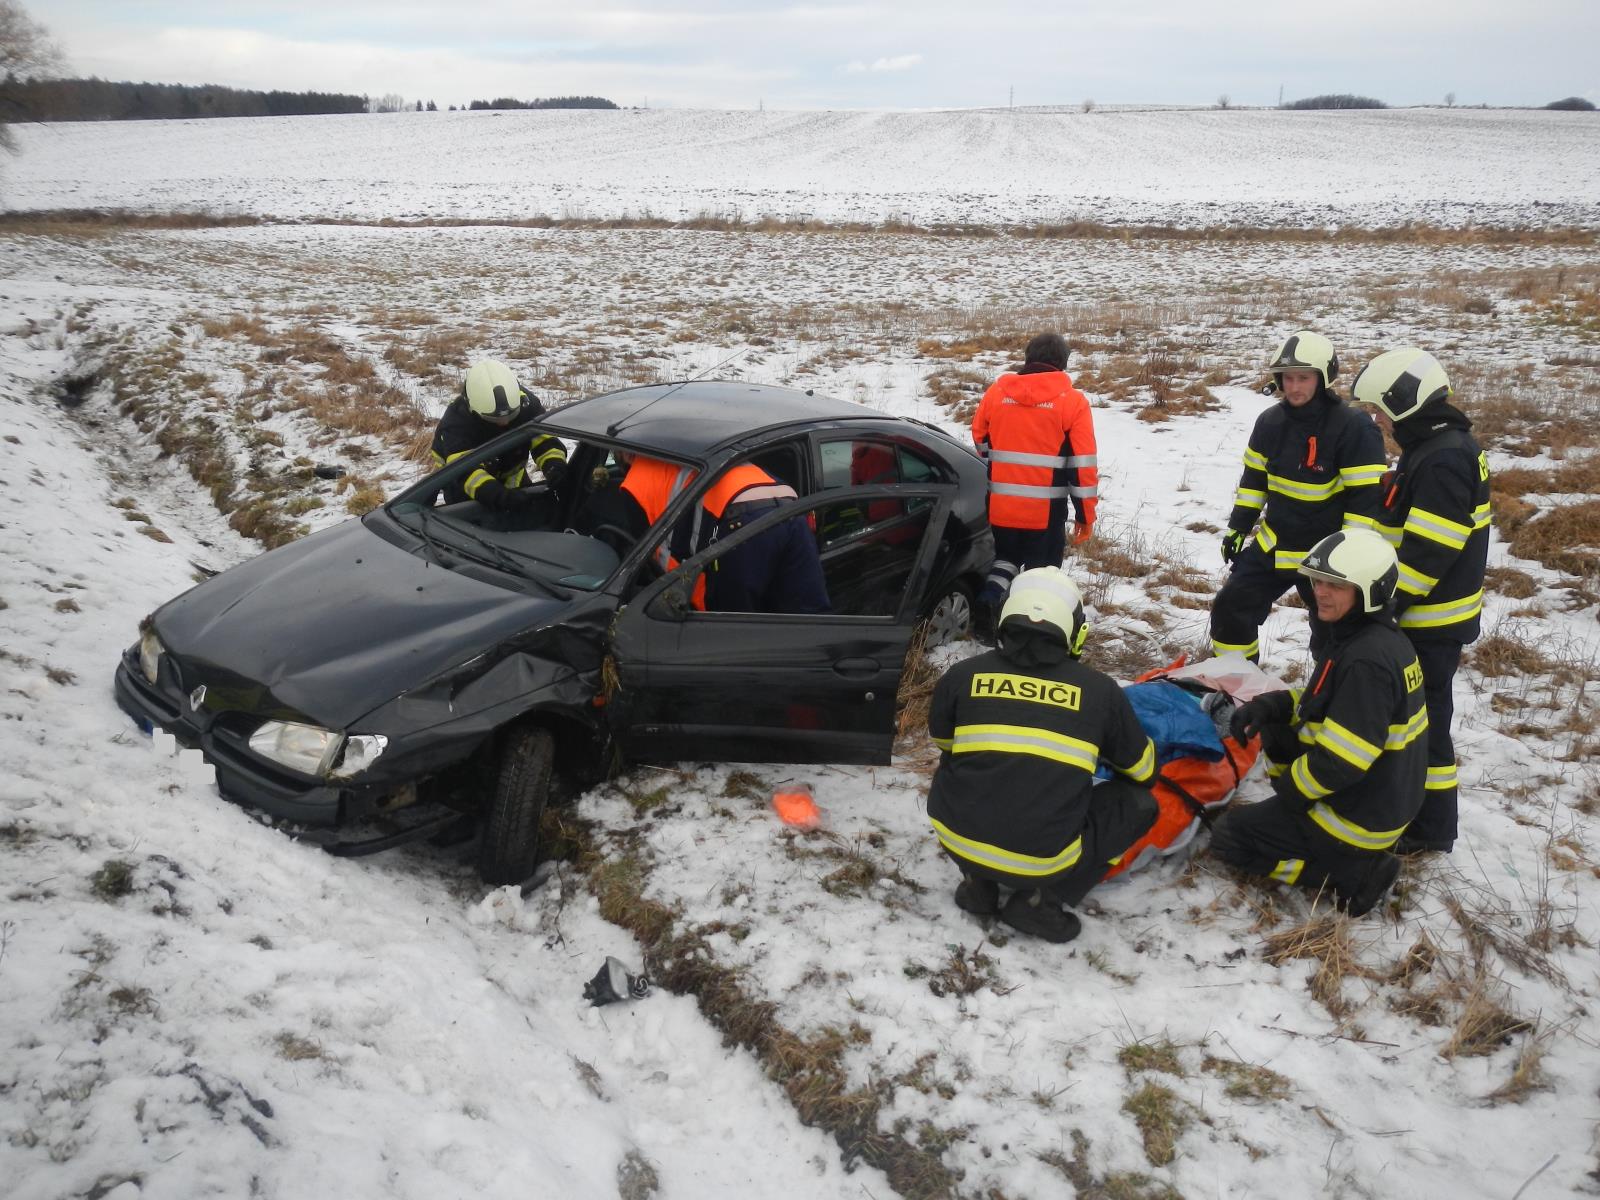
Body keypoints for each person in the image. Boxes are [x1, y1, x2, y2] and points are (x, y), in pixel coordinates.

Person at [926, 567, 1158, 943]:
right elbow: (1143, 771)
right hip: (1042, 858)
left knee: (960, 763)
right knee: (1138, 804)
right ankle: (1039, 901)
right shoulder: (1100, 692)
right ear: (1074, 629)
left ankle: (977, 882)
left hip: (956, 838)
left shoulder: (961, 675)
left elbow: (945, 743)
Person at [1209, 528, 1429, 917]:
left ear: (1370, 591)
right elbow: (1325, 702)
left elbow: (1342, 760)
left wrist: (1295, 794)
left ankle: (1351, 874)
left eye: (1337, 585)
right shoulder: (1367, 637)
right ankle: (1316, 835)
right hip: (1380, 798)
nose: (1321, 593)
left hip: (1357, 821)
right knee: (1275, 722)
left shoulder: (1366, 660)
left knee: (1229, 838)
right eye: (1318, 582)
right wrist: (1271, 705)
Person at [1351, 348, 1490, 855]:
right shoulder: (1433, 446)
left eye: (1382, 410)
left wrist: (1383, 606)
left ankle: (1430, 831)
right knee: (1410, 721)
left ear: (1407, 402)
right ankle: (1407, 810)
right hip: (1423, 618)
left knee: (1427, 727)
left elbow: (1429, 552)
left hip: (1430, 623)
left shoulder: (1444, 457)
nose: (1379, 421)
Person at [1211, 331, 1387, 662]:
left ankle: (1332, 696)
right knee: (1230, 608)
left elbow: (1364, 502)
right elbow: (1254, 482)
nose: (1294, 387)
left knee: (1335, 634)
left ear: (1323, 379)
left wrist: (1348, 559)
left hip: (1328, 553)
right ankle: (1235, 684)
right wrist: (1238, 527)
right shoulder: (1270, 422)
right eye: (1288, 378)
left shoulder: (1354, 427)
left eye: (1303, 378)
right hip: (1275, 544)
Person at [575, 452, 829, 614]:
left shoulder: (635, 484)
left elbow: (655, 554)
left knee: (734, 625)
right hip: (789, 504)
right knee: (808, 611)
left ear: (623, 457)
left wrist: (689, 603)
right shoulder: (681, 450)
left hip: (742, 520)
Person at [970, 333, 1099, 632]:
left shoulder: (996, 393)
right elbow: (1082, 466)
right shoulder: (1073, 402)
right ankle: (1029, 631)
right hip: (1046, 512)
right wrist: (1085, 515)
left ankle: (988, 608)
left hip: (1001, 505)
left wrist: (1003, 466)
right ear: (1063, 363)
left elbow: (981, 439)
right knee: (1041, 575)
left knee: (1005, 559)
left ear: (1028, 358)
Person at [431, 360, 568, 511]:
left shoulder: (526, 404)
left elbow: (544, 440)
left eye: (510, 416)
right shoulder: (456, 422)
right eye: (494, 419)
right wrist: (499, 497)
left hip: (512, 476)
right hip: (466, 486)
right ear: (473, 408)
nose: (503, 423)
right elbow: (465, 472)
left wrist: (554, 466)